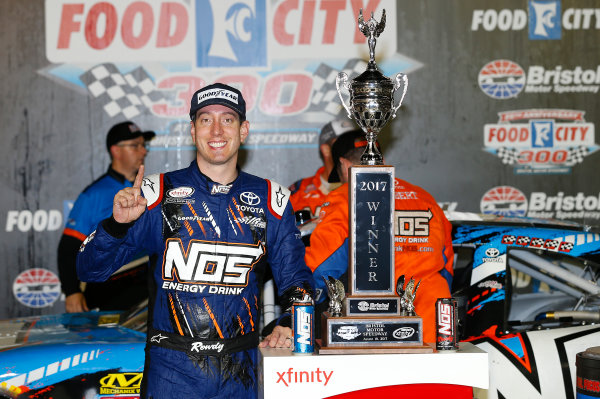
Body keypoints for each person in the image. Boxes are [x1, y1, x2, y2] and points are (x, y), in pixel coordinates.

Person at [77, 83, 315, 399]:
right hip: (172, 373)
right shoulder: (156, 194)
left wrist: (289, 321)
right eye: (205, 119)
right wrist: (116, 225)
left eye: (227, 119)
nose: (216, 129)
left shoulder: (271, 199)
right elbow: (89, 271)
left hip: (239, 374)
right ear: (193, 131)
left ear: (243, 130)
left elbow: (296, 280)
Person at [305, 129, 454, 344]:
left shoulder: (345, 196)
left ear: (344, 165)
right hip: (434, 326)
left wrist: (297, 310)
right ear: (382, 160)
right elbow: (447, 265)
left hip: (377, 327)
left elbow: (322, 268)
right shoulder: (424, 197)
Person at [57, 121, 155, 313]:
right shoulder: (94, 194)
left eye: (144, 145)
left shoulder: (151, 189)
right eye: (135, 145)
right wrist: (71, 292)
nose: (143, 151)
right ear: (116, 151)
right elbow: (68, 247)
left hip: (145, 297)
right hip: (108, 295)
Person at [288, 119, 356, 218]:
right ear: (326, 150)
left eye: (354, 141)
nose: (352, 147)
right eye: (343, 143)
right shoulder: (298, 192)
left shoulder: (366, 187)